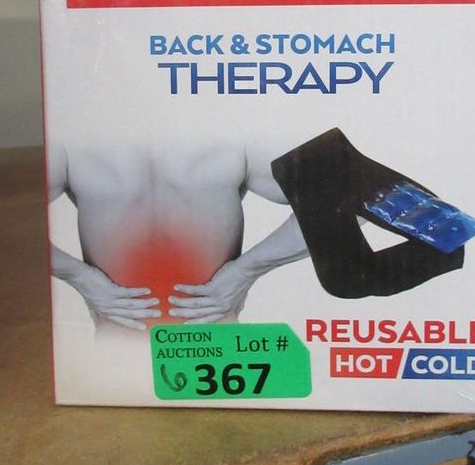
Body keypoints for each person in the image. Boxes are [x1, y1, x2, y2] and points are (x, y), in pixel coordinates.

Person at [47, 139, 309, 331]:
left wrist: (246, 271)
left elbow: (329, 202)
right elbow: (330, 202)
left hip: (128, 348)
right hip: (208, 346)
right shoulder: (235, 136)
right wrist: (245, 271)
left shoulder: (71, 140)